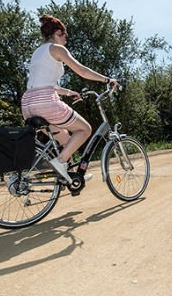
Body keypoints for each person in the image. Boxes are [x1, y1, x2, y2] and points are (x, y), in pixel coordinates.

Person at [21, 14, 117, 184]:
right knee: (84, 130)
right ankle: (59, 163)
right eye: (65, 34)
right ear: (58, 32)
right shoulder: (57, 49)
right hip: (45, 103)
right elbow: (82, 71)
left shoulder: (37, 52)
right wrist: (107, 80)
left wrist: (68, 92)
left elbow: (43, 83)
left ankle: (70, 175)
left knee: (65, 138)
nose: (66, 38)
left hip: (28, 104)